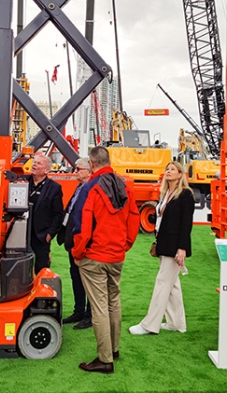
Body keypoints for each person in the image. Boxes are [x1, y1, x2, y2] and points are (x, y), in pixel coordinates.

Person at [72, 146, 140, 374]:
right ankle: (113, 349)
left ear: (91, 164)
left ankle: (105, 358)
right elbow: (133, 218)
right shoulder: (124, 186)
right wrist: (125, 245)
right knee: (113, 301)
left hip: (95, 255)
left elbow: (82, 226)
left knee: (99, 307)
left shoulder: (90, 187)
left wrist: (78, 253)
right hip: (116, 254)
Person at [130, 161, 194, 335]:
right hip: (163, 243)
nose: (169, 171)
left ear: (180, 174)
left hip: (174, 246)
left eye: (173, 169)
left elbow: (186, 223)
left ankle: (149, 325)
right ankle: (176, 323)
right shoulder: (165, 193)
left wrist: (182, 248)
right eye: (167, 169)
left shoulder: (185, 194)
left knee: (163, 283)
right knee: (172, 285)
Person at [57, 157, 93, 330]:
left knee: (87, 279)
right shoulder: (80, 188)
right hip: (73, 241)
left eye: (78, 169)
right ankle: (79, 310)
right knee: (76, 276)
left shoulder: (90, 189)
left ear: (88, 171)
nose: (75, 172)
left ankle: (90, 315)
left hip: (83, 243)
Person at [27, 154, 64, 273]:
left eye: (38, 163)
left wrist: (50, 234)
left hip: (41, 235)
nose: (34, 165)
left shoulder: (54, 188)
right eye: (34, 162)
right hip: (20, 232)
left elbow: (58, 214)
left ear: (46, 170)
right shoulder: (22, 181)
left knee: (41, 267)